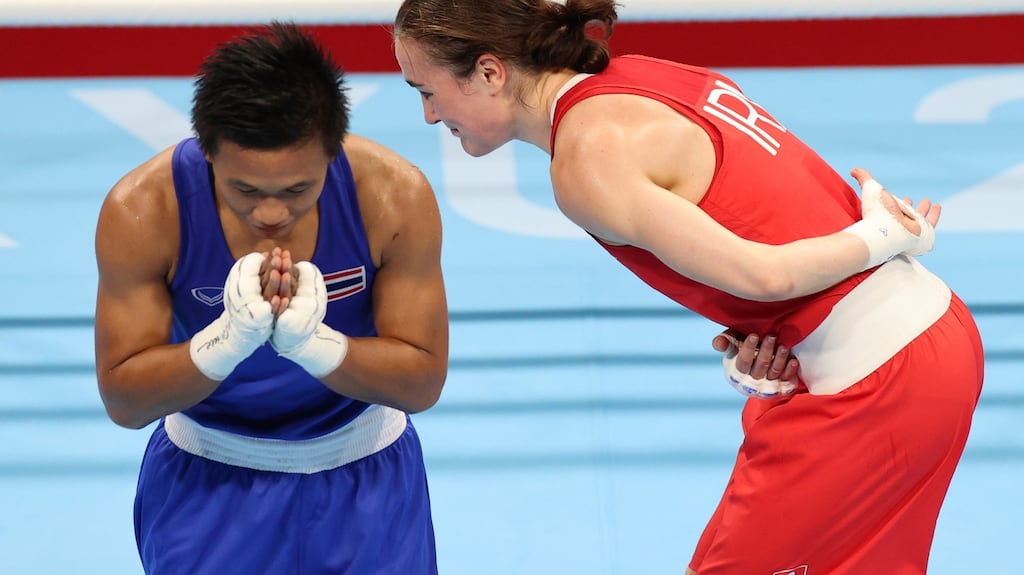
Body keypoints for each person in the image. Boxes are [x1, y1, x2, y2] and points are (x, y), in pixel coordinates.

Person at [391, 1, 985, 573]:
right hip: (930, 337)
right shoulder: (646, 75)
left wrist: (884, 235)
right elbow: (769, 219)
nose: (428, 115)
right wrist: (781, 333)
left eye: (427, 91)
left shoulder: (587, 158)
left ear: (490, 71)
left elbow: (767, 273)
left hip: (879, 380)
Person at [93, 22, 448, 574]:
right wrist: (224, 343)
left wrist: (317, 345)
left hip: (367, 486)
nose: (270, 214)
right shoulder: (143, 211)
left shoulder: (393, 197)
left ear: (333, 153)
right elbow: (125, 402)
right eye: (245, 189)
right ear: (207, 153)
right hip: (207, 488)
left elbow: (422, 381)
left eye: (296, 190)